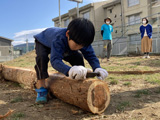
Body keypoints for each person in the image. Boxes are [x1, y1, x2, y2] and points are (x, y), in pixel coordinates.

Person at [33, 18, 108, 104]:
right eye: (76, 44)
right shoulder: (59, 39)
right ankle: (41, 87)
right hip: (43, 41)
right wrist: (69, 70)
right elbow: (55, 60)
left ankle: (80, 77)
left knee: (78, 56)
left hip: (64, 43)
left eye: (82, 46)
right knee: (41, 58)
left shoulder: (82, 39)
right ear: (67, 34)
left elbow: (90, 55)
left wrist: (97, 68)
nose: (79, 48)